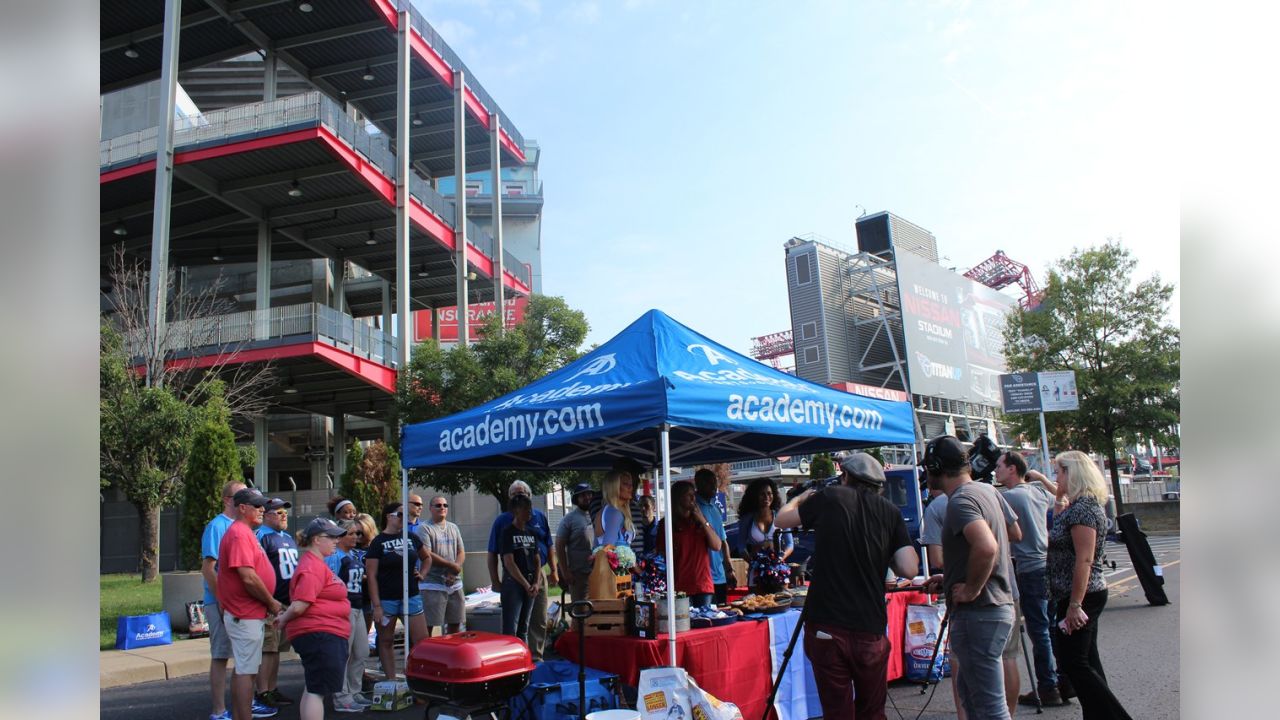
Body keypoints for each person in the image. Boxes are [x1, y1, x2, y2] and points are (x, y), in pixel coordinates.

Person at [775, 453, 918, 720]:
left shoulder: (831, 498)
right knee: (873, 711)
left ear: (846, 477)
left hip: (828, 625)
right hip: (870, 627)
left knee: (837, 711)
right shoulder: (890, 512)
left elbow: (782, 521)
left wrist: (799, 498)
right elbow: (909, 568)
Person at [922, 435, 1018, 720]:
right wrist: (953, 577)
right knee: (973, 699)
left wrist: (971, 589)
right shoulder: (986, 491)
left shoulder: (960, 501)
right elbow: (1013, 533)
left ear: (936, 467)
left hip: (980, 612)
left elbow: (987, 546)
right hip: (996, 607)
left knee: (989, 708)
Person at [1047, 451, 1134, 719]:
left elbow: (1084, 559)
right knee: (1087, 661)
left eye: (1059, 472)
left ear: (1072, 474)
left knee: (1075, 663)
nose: (1056, 477)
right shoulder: (1077, 505)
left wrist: (1075, 604)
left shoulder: (1084, 509)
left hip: (1083, 594)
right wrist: (1060, 499)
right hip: (1074, 593)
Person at [995, 451, 1063, 706]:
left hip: (1030, 567)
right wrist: (1042, 478)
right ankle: (1061, 680)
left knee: (1039, 630)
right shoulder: (1037, 492)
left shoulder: (1008, 497)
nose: (996, 471)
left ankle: (1047, 687)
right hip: (1049, 564)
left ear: (1012, 469)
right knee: (1053, 626)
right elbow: (1060, 496)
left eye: (999, 466)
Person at [275, 518, 351, 720]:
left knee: (313, 687)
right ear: (317, 539)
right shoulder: (311, 566)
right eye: (332, 537)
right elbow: (301, 604)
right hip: (320, 634)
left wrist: (285, 617)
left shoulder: (316, 564)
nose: (336, 541)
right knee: (317, 691)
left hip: (322, 633)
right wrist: (283, 620)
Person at [216, 488, 282, 720]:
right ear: (242, 508)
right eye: (257, 505)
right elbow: (248, 576)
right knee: (246, 671)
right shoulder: (239, 533)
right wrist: (272, 602)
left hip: (248, 612)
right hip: (244, 614)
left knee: (247, 669)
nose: (263, 509)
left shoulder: (245, 533)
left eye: (263, 505)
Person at [487, 480, 557, 661]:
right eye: (515, 496)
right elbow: (495, 554)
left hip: (537, 574)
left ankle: (535, 658)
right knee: (513, 623)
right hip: (514, 578)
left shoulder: (538, 519)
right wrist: (495, 580)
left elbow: (548, 547)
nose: (520, 499)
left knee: (537, 620)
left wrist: (552, 572)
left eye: (523, 495)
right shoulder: (503, 524)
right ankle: (512, 660)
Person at [364, 502, 432, 681]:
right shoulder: (378, 542)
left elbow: (427, 558)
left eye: (406, 515)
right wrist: (376, 605)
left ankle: (420, 679)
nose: (405, 518)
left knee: (422, 641)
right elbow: (371, 575)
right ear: (389, 517)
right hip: (387, 599)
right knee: (386, 641)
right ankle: (392, 681)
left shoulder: (411, 537)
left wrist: (422, 574)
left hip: (411, 595)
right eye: (400, 514)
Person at [200, 480, 245, 720]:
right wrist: (221, 599)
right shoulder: (217, 526)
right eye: (239, 496)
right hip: (220, 602)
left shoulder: (243, 526)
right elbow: (209, 568)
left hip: (241, 603)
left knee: (243, 654)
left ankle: (244, 705)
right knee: (220, 655)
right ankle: (218, 710)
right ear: (227, 500)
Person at [255, 498, 298, 709]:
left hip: (287, 603)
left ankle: (272, 688)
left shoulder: (288, 538)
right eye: (279, 512)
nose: (284, 516)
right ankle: (262, 691)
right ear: (267, 515)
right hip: (271, 601)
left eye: (285, 512)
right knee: (268, 649)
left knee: (277, 649)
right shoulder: (261, 536)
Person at [656, 482, 722, 608]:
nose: (693, 499)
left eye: (694, 495)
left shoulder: (700, 521)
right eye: (689, 495)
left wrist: (703, 520)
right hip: (679, 584)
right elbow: (661, 554)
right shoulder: (666, 524)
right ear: (678, 497)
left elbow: (717, 546)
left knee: (703, 623)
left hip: (702, 585)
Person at [332, 519, 374, 712]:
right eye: (352, 533)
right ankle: (341, 696)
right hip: (344, 608)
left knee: (361, 651)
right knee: (343, 653)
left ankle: (354, 690)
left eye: (358, 533)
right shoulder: (334, 556)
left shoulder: (354, 554)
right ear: (340, 536)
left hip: (358, 607)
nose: (356, 537)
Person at [418, 495, 465, 636]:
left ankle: (451, 655)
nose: (442, 508)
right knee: (429, 625)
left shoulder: (454, 527)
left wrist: (454, 570)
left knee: (455, 623)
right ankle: (426, 655)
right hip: (433, 583)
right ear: (430, 508)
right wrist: (452, 565)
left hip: (454, 582)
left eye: (445, 505)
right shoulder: (424, 528)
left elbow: (461, 551)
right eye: (438, 505)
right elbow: (427, 553)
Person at [499, 494, 542, 645]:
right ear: (516, 510)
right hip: (514, 584)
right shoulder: (507, 532)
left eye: (530, 509)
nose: (529, 512)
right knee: (511, 627)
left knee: (524, 627)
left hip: (530, 582)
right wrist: (525, 584)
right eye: (526, 509)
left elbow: (537, 559)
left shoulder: (532, 532)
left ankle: (523, 661)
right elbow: (509, 562)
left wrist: (536, 582)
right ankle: (509, 661)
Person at [735, 477, 793, 586]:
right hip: (756, 571)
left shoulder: (780, 516)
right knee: (756, 602)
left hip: (778, 569)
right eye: (762, 494)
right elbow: (741, 545)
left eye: (769, 493)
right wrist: (753, 562)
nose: (767, 497)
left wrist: (780, 559)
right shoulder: (748, 519)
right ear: (755, 496)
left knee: (780, 600)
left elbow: (790, 544)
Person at [693, 469, 736, 604]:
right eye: (708, 482)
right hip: (703, 577)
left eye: (714, 482)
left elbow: (723, 541)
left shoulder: (715, 508)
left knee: (722, 614)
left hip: (720, 576)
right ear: (698, 484)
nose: (713, 486)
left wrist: (729, 568)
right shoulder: (694, 508)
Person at [556, 483, 595, 603]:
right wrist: (565, 572)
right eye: (583, 495)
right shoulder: (569, 519)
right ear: (576, 499)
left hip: (599, 571)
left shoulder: (598, 515)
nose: (587, 497)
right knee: (580, 611)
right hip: (578, 574)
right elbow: (559, 546)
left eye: (589, 494)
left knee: (598, 612)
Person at [593, 470, 636, 549]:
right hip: (615, 560)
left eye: (631, 484)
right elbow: (607, 549)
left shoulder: (608, 510)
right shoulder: (614, 513)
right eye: (625, 484)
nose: (630, 487)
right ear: (614, 487)